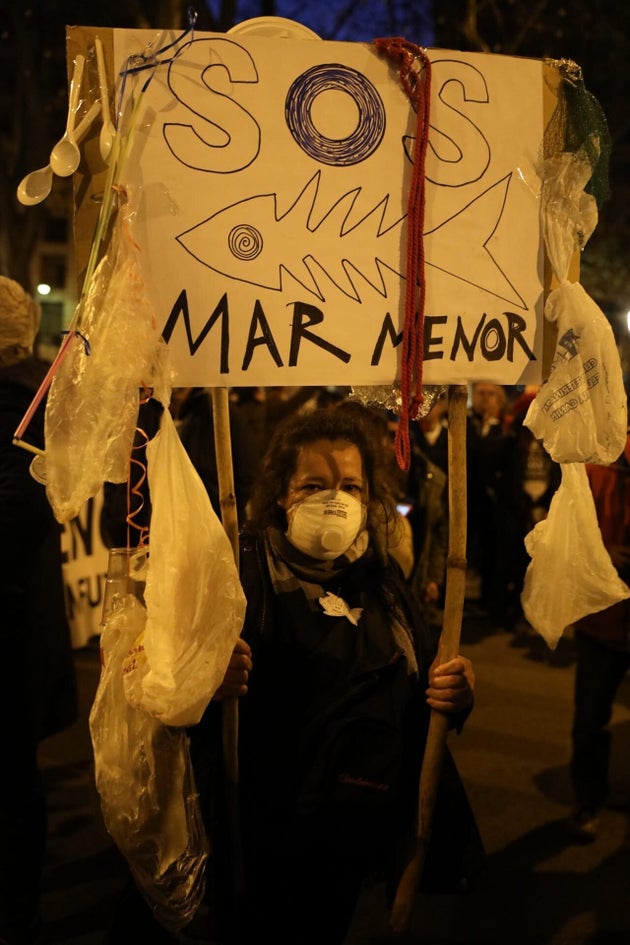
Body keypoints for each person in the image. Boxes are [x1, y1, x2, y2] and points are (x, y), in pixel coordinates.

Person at [106, 405, 482, 944]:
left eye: (351, 485)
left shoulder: (384, 586)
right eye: (314, 484)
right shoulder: (235, 575)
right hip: (254, 840)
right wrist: (207, 681)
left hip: (348, 841)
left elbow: (421, 694)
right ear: (281, 494)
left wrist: (456, 694)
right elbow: (161, 687)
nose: (335, 499)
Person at [0, 277, 78, 945]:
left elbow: (20, 510)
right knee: (17, 781)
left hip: (14, 625)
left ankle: (17, 907)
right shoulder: (43, 398)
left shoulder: (27, 402)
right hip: (27, 631)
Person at [568, 431, 630, 843]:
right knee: (589, 719)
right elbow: (567, 535)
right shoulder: (596, 466)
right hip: (602, 620)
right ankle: (587, 801)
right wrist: (603, 550)